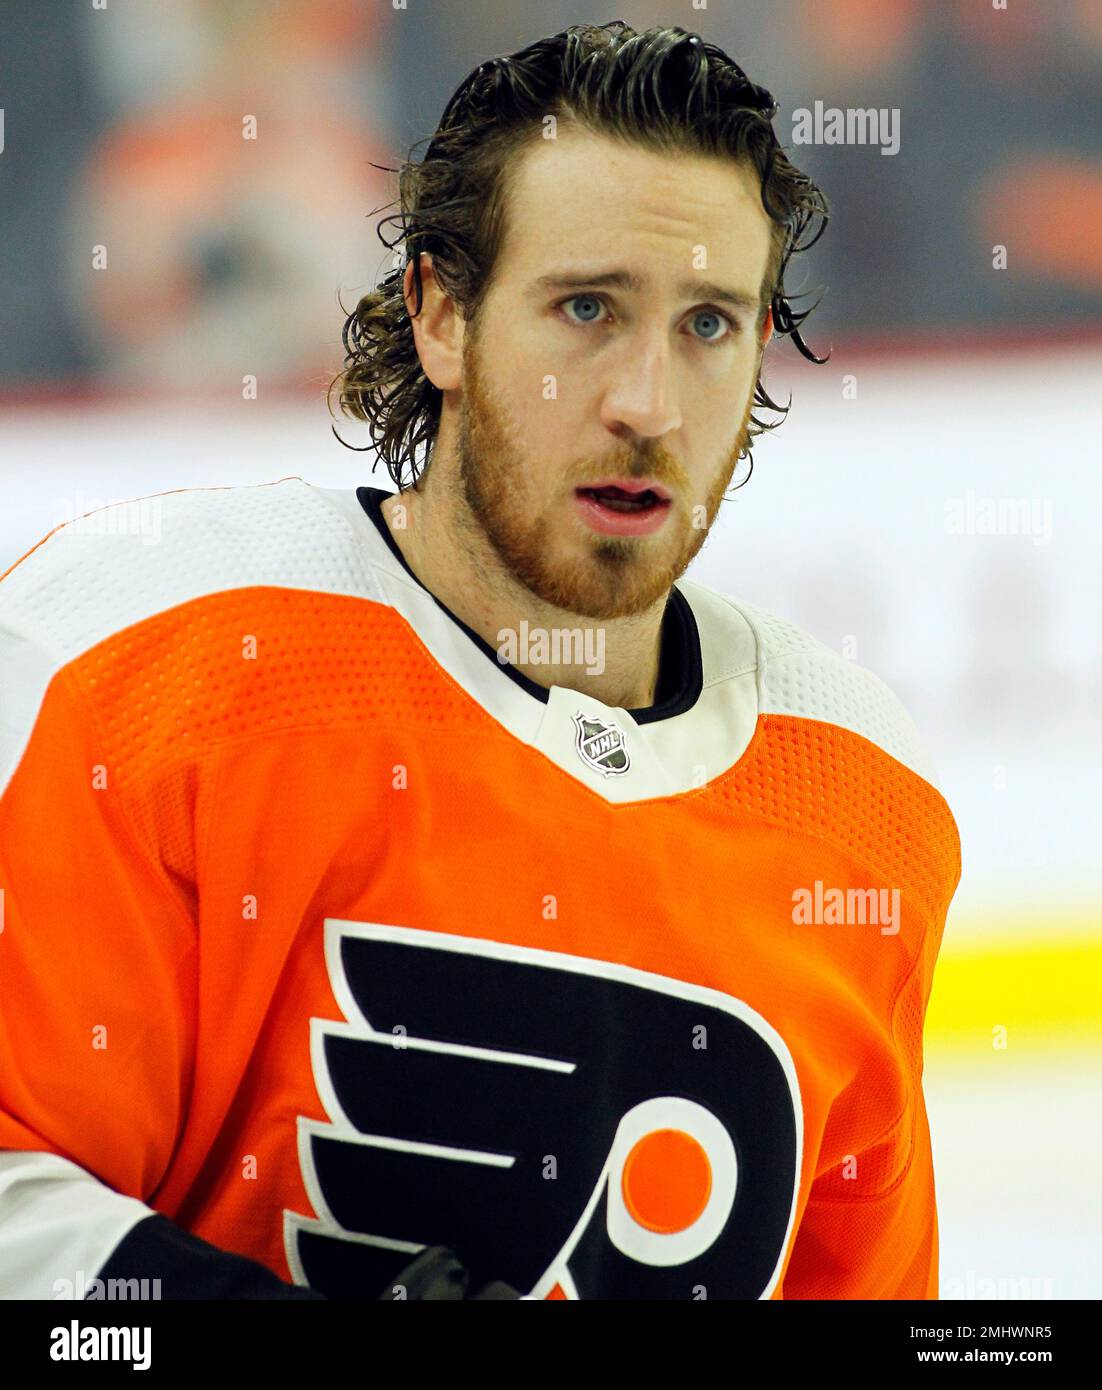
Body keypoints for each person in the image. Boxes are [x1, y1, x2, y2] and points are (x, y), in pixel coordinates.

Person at [0, 21, 960, 1300]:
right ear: (441, 313)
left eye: (710, 325)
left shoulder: (862, 800)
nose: (647, 404)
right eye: (585, 309)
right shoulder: (143, 655)